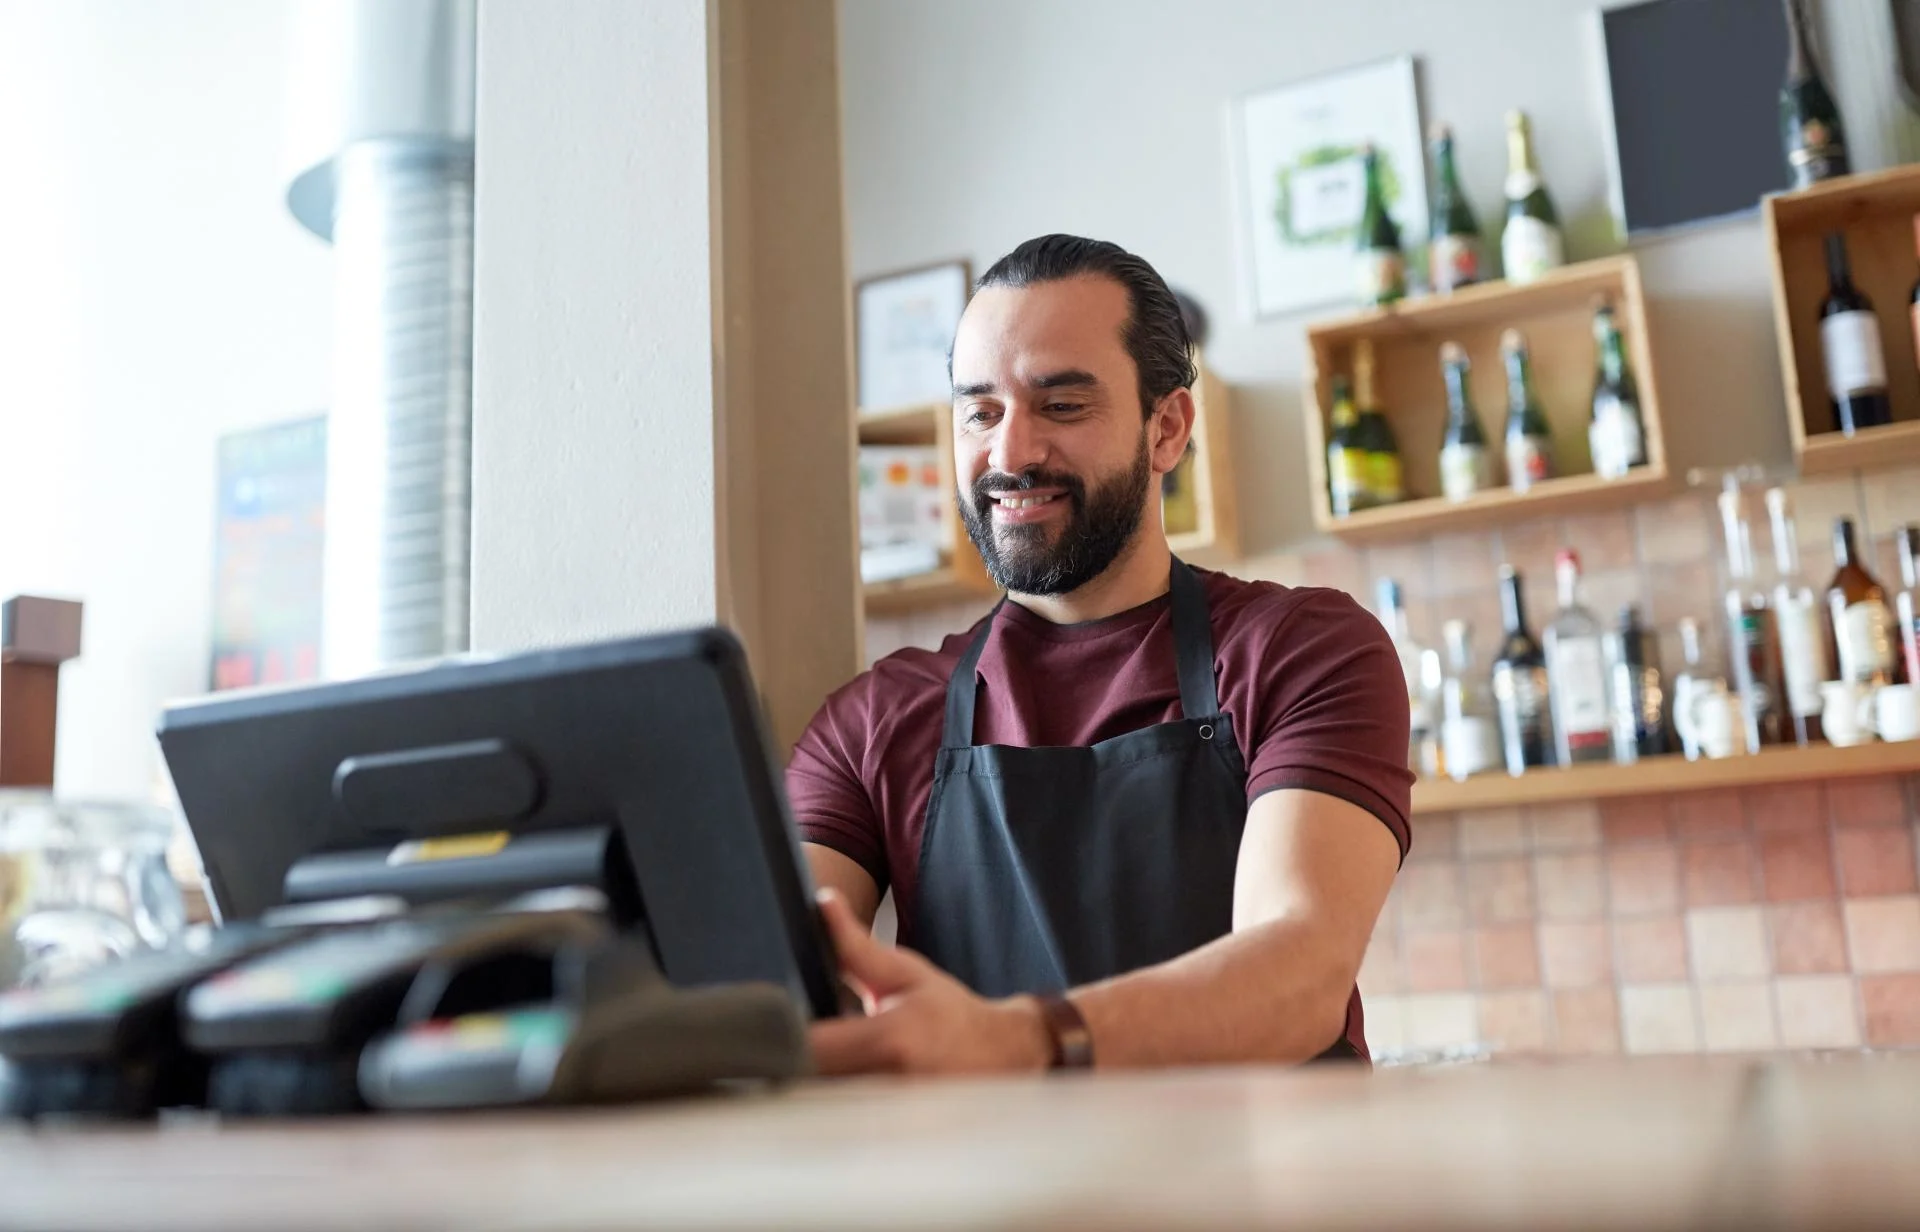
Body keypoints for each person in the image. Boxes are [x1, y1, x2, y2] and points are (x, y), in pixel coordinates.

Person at [789, 234, 1411, 1075]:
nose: (1010, 454)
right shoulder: (871, 720)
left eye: (1062, 406)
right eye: (981, 412)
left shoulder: (1299, 652)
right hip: (1001, 1202)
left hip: (1265, 1193)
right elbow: (774, 973)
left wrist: (1018, 1041)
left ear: (1168, 428)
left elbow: (1297, 973)